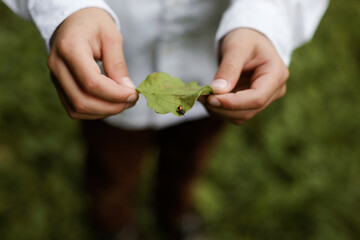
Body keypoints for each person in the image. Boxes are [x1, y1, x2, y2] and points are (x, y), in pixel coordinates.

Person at [2, 0, 329, 239]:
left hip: (213, 73)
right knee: (111, 168)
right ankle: (113, 224)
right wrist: (68, 9)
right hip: (109, 73)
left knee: (190, 158)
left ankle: (176, 212)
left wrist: (265, 21)